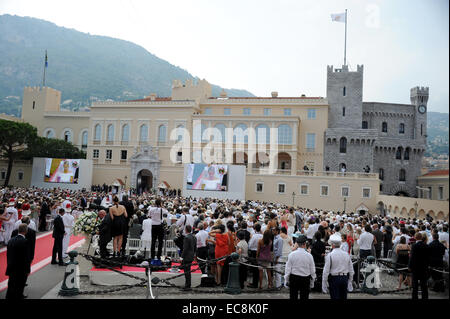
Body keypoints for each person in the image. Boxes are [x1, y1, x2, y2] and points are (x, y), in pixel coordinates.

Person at [284, 235, 316, 300]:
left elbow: (288, 269)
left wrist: (286, 280)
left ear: (297, 244)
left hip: (294, 278)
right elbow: (312, 270)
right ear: (305, 244)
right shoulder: (309, 256)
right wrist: (312, 282)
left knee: (293, 296)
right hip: (305, 279)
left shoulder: (291, 254)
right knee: (304, 297)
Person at [11, 216, 36, 296]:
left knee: (15, 273)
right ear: (29, 223)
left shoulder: (15, 231)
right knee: (24, 273)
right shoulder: (32, 232)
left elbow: (11, 243)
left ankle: (15, 288)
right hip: (26, 256)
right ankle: (20, 291)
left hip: (14, 255)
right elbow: (32, 245)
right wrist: (32, 256)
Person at [5, 223, 30, 299]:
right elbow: (26, 258)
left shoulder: (11, 240)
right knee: (19, 285)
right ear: (26, 231)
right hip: (20, 268)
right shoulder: (25, 241)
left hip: (11, 265)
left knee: (11, 283)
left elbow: (8, 255)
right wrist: (27, 269)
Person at [408, 232, 430, 299]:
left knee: (415, 285)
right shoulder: (426, 245)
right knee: (424, 285)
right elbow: (428, 257)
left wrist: (409, 266)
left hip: (415, 267)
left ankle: (415, 297)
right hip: (424, 267)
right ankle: (425, 297)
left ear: (415, 237)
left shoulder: (414, 246)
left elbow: (412, 257)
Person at [148, 198, 167, 263]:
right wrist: (162, 207)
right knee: (160, 242)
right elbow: (166, 214)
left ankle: (152, 256)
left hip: (153, 225)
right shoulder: (163, 210)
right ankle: (159, 256)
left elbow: (149, 216)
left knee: (153, 241)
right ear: (161, 203)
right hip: (160, 226)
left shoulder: (151, 209)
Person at [181, 225, 197, 291]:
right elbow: (195, 247)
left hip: (187, 256)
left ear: (186, 230)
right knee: (188, 271)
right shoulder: (194, 237)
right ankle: (188, 285)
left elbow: (185, 249)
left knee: (187, 272)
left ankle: (187, 285)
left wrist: (182, 256)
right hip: (191, 255)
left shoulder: (187, 237)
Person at [247, 223, 263, 288]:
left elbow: (250, 245)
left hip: (254, 252)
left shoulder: (254, 236)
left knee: (254, 268)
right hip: (260, 252)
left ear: (255, 229)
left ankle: (255, 283)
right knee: (258, 268)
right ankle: (256, 282)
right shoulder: (262, 236)